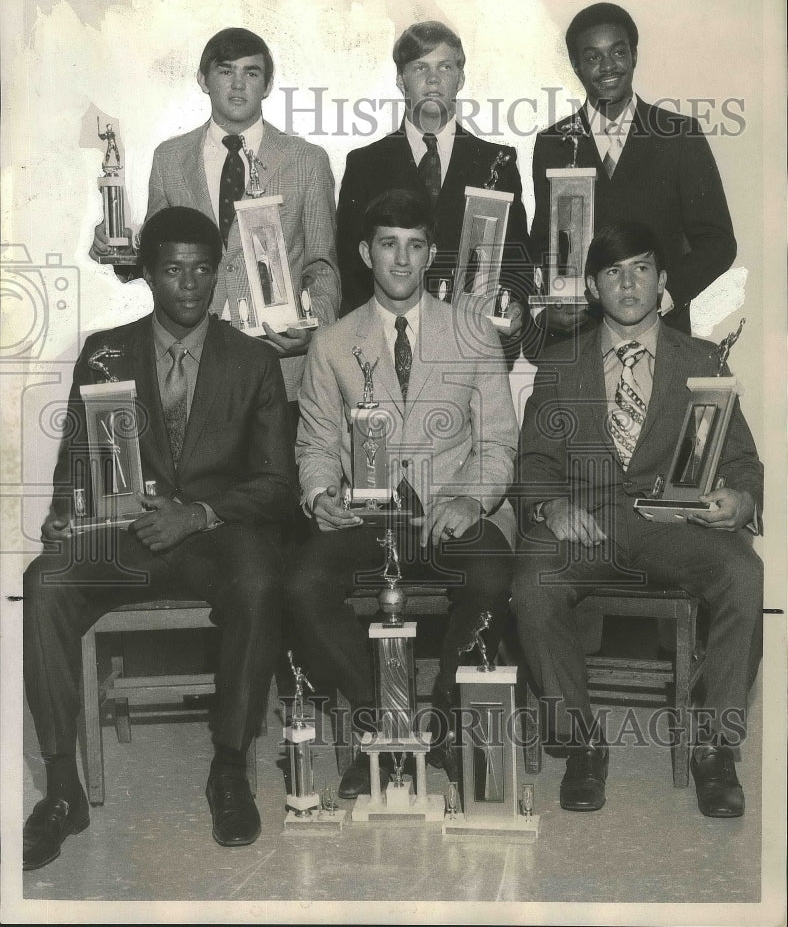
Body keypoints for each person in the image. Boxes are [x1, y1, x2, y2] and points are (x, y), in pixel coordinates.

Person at [23, 207, 297, 869]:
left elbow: (275, 486)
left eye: (203, 270)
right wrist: (65, 511)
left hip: (215, 539)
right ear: (147, 274)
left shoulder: (253, 360)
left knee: (262, 578)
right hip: (130, 534)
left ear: (219, 272)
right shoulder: (104, 350)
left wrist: (199, 512)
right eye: (173, 270)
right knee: (46, 579)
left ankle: (229, 769)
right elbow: (78, 464)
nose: (189, 285)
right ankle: (63, 788)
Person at [511, 220, 762, 817]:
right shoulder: (559, 362)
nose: (629, 283)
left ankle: (713, 746)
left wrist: (743, 500)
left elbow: (742, 460)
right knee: (532, 581)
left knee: (743, 574)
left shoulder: (700, 358)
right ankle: (581, 744)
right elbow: (534, 462)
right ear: (594, 287)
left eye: (642, 268)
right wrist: (553, 504)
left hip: (671, 526)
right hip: (587, 522)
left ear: (663, 280)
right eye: (613, 272)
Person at [286, 188, 519, 798]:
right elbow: (313, 443)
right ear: (366, 252)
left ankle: (441, 712)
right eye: (388, 245)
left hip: (449, 508)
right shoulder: (333, 342)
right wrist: (318, 495)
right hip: (369, 515)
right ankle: (380, 721)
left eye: (415, 247)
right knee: (302, 584)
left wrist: (472, 499)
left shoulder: (473, 332)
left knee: (494, 575)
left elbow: (498, 444)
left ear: (432, 254)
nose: (401, 260)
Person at [91, 26, 340, 426]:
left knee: (275, 486)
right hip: (191, 359)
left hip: (281, 363)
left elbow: (323, 265)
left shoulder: (306, 160)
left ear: (269, 83)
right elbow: (160, 260)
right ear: (203, 80)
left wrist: (315, 326)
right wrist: (119, 250)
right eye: (225, 71)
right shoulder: (170, 158)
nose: (238, 84)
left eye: (251, 72)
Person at [529, 2, 736, 344]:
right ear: (576, 65)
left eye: (618, 52)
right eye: (593, 57)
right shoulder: (553, 143)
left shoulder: (679, 135)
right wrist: (547, 306)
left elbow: (719, 242)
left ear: (634, 56)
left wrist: (662, 296)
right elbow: (543, 243)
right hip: (578, 336)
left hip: (662, 333)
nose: (608, 66)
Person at [336, 21, 534, 363]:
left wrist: (514, 308)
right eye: (420, 67)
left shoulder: (497, 161)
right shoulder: (364, 164)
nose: (432, 79)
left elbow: (518, 262)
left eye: (445, 66)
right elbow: (353, 271)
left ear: (460, 78)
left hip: (475, 348)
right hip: (389, 348)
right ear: (401, 80)